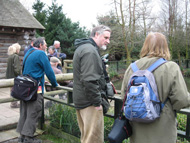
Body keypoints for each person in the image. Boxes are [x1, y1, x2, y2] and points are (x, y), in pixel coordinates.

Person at [121, 32, 190, 143]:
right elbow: (181, 100)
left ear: (145, 46)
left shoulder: (132, 67)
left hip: (137, 130)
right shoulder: (171, 67)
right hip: (162, 130)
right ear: (165, 47)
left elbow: (124, 96)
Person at [73, 25, 111, 143]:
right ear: (96, 34)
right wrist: (97, 102)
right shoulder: (90, 51)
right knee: (93, 139)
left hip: (83, 100)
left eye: (109, 38)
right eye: (106, 37)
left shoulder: (83, 48)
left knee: (86, 138)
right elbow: (89, 80)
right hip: (90, 103)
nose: (108, 41)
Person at [16, 37, 58, 143]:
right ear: (40, 45)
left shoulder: (28, 53)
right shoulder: (41, 54)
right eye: (45, 44)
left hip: (25, 88)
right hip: (35, 89)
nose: (46, 46)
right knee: (34, 111)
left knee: (25, 112)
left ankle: (21, 136)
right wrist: (54, 83)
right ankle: (28, 137)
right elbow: (49, 71)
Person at [6, 43, 22, 108]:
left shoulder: (10, 56)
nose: (19, 51)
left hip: (9, 76)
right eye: (19, 49)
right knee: (15, 90)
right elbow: (17, 69)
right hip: (14, 76)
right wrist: (19, 75)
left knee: (12, 90)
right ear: (17, 49)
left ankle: (13, 103)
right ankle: (14, 104)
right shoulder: (16, 56)